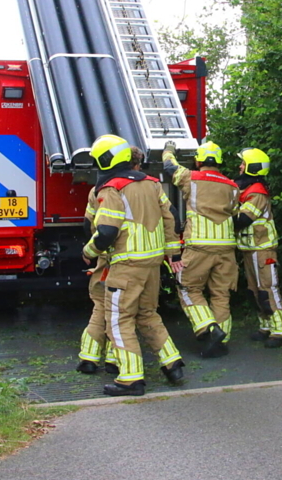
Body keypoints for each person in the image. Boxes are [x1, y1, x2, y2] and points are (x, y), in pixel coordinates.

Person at [83, 135, 186, 396]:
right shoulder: (152, 184)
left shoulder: (112, 188)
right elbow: (171, 218)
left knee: (118, 321)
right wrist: (172, 254)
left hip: (126, 266)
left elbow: (106, 231)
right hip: (152, 266)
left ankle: (130, 378)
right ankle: (172, 363)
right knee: (148, 315)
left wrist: (88, 251)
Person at [162, 140, 240, 358]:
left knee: (188, 288)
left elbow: (169, 167)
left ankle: (208, 328)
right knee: (221, 294)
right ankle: (221, 342)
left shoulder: (191, 178)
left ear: (198, 160)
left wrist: (169, 149)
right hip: (226, 248)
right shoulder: (233, 186)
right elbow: (235, 212)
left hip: (199, 246)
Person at [75, 146, 146, 375]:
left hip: (104, 256)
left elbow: (88, 224)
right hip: (125, 257)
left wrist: (94, 250)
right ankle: (114, 360)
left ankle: (89, 356)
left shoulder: (98, 190)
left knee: (100, 305)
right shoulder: (132, 188)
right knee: (122, 312)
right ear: (135, 165)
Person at [234, 148, 282, 348]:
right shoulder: (246, 189)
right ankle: (265, 326)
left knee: (267, 290)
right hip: (250, 249)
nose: (240, 167)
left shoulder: (256, 192)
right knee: (253, 291)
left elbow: (242, 220)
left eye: (243, 163)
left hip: (263, 249)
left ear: (252, 167)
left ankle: (281, 331)